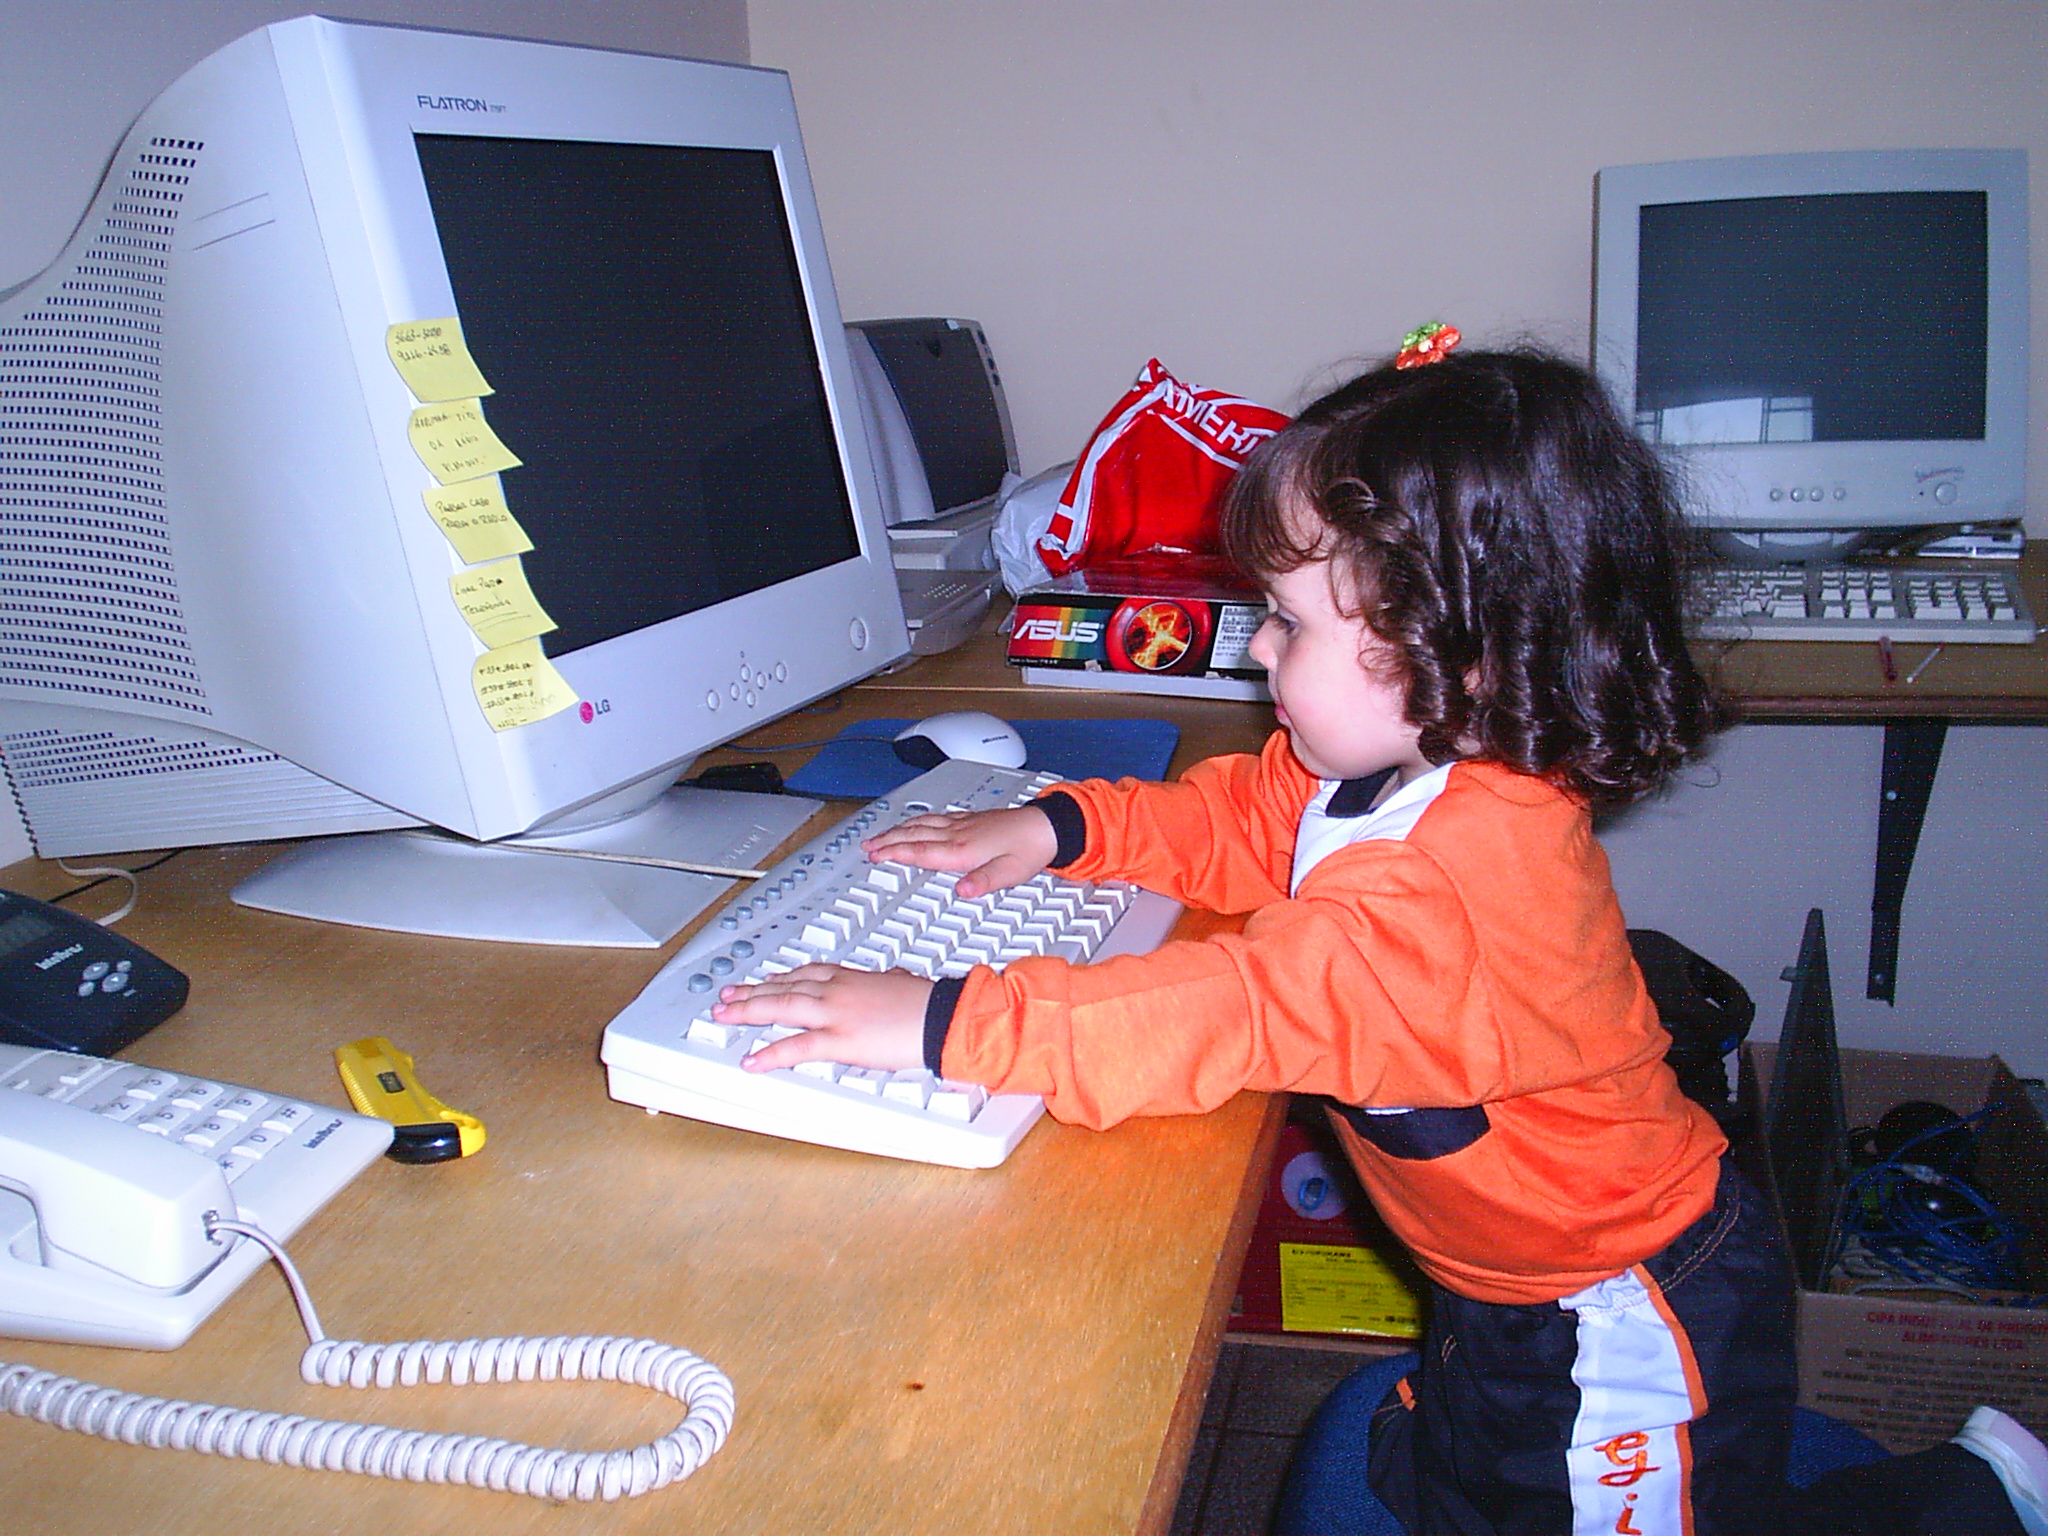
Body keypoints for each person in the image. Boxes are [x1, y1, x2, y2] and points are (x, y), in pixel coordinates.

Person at [715, 338, 2048, 1536]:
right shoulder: (1400, 767)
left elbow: (1229, 1011)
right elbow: (1246, 823)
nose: (1258, 654)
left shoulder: (1449, 893)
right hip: (1504, 1284)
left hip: (1612, 1314)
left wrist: (940, 1021)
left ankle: (1971, 1499)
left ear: (1456, 656)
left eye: (1291, 623)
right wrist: (1064, 827)